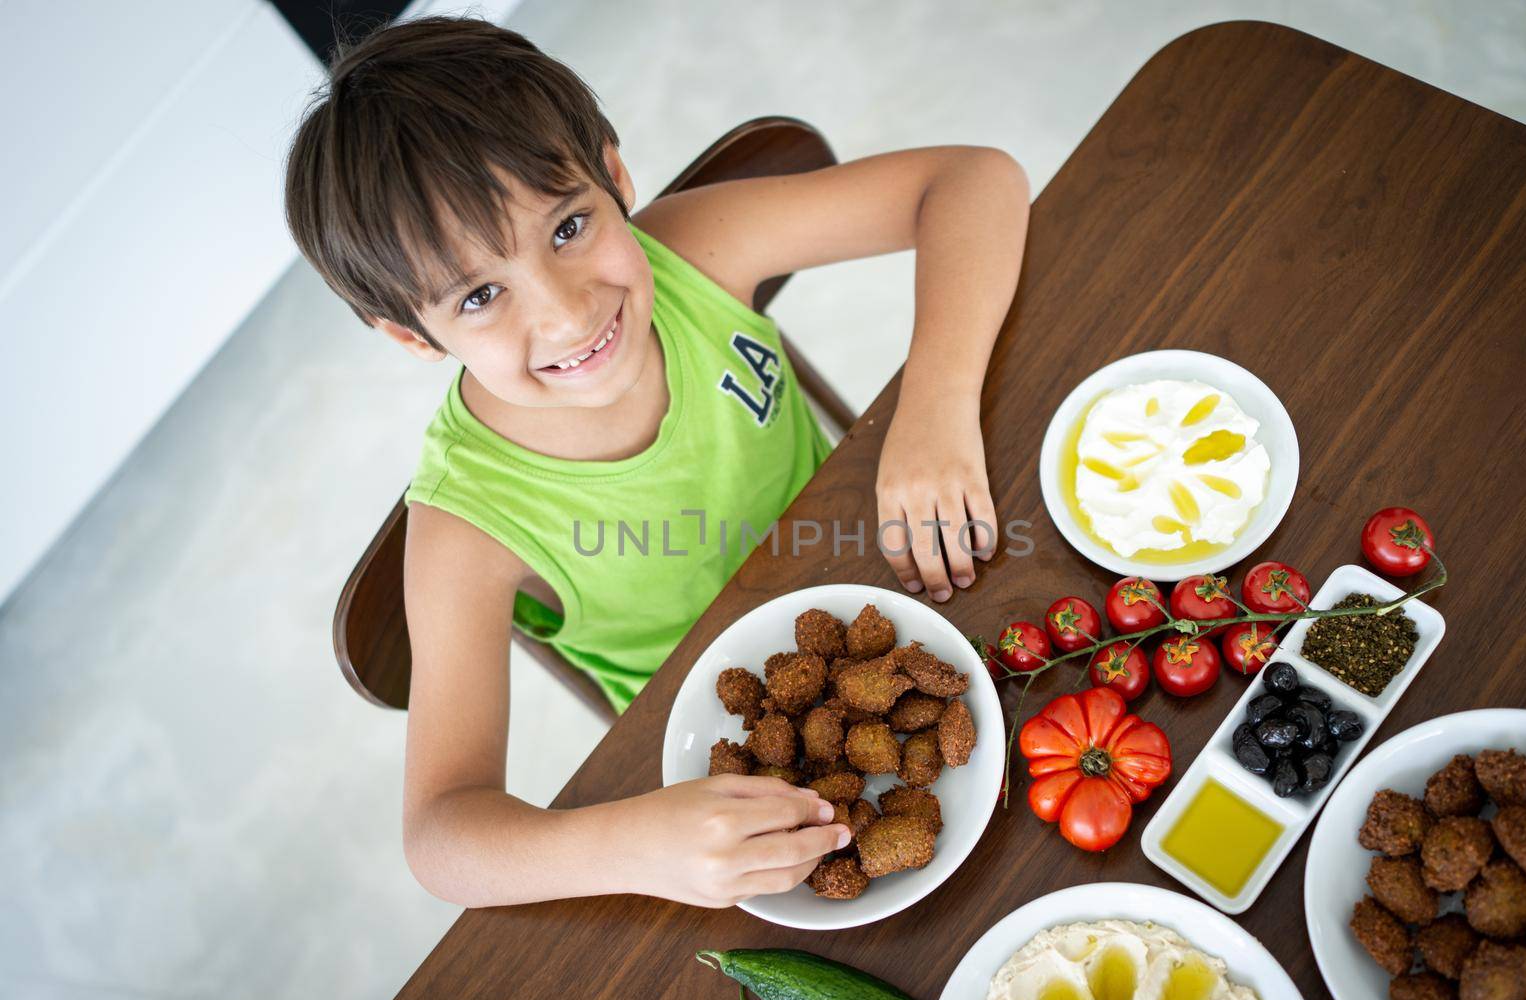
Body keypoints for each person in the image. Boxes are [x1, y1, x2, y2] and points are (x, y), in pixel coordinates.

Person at [282, 15, 1029, 908]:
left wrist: (935, 400)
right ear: (411, 334)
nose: (565, 314)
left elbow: (973, 180)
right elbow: (442, 835)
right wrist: (629, 843)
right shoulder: (463, 528)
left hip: (904, 564)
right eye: (480, 295)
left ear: (615, 173)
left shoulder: (694, 252)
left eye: (568, 227)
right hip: (734, 753)